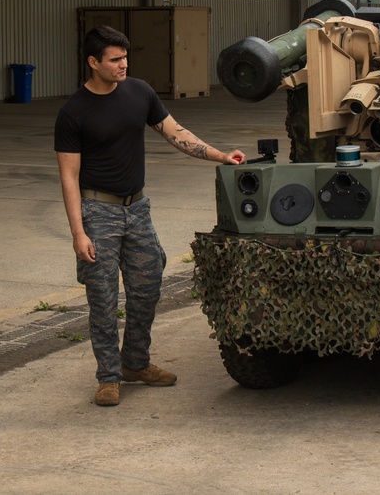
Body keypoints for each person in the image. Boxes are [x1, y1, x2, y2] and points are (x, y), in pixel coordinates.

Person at [55, 24, 245, 407]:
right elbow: (69, 177)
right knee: (103, 298)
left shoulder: (139, 92)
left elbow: (176, 133)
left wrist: (220, 155)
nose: (123, 64)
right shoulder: (73, 112)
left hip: (137, 209)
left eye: (126, 57)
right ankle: (108, 376)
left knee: (147, 288)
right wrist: (79, 232)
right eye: (114, 59)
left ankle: (135, 363)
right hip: (98, 211)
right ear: (93, 62)